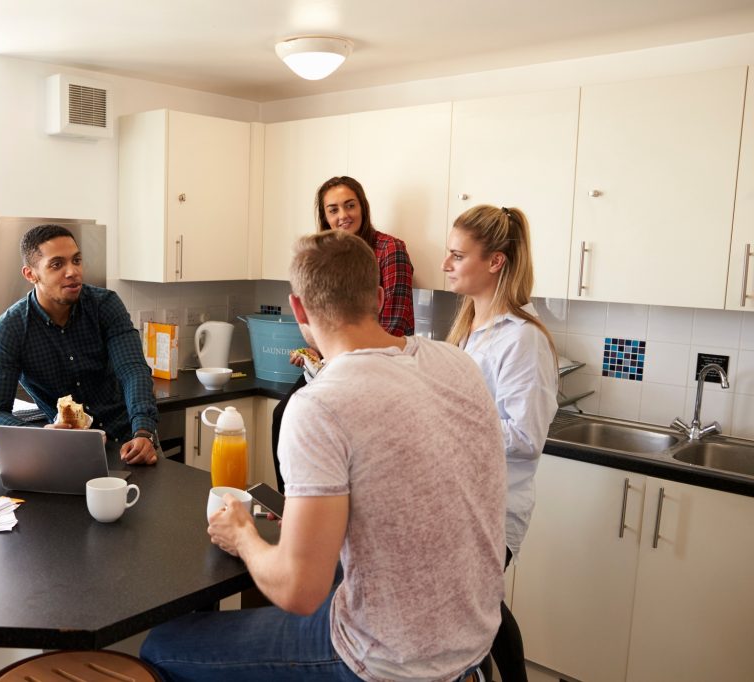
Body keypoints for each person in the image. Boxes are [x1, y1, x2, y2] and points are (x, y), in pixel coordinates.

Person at [141, 230, 507, 682]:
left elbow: (300, 591)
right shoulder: (456, 362)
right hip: (473, 641)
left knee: (161, 645)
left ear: (298, 309)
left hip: (386, 661)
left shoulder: (320, 405)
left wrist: (242, 536)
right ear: (376, 295)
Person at [443, 205, 559, 682]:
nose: (447, 264)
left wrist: (450, 421)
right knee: (481, 609)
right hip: (463, 498)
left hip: (494, 507)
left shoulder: (522, 340)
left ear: (495, 261)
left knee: (478, 610)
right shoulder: (469, 326)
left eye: (457, 255)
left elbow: (527, 437)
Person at [270, 175, 415, 490]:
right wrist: (314, 356)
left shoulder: (390, 250)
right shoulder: (324, 256)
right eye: (333, 209)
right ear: (324, 217)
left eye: (350, 206)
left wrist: (341, 360)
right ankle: (291, 505)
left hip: (379, 366)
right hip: (330, 363)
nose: (342, 216)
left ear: (362, 207)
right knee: (283, 414)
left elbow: (394, 323)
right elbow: (323, 321)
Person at [0, 224, 160, 465]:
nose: (72, 271)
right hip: (66, 452)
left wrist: (144, 431)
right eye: (57, 264)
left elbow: (133, 370)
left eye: (76, 260)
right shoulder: (10, 330)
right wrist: (40, 436)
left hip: (131, 440)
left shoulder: (105, 305)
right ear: (30, 274)